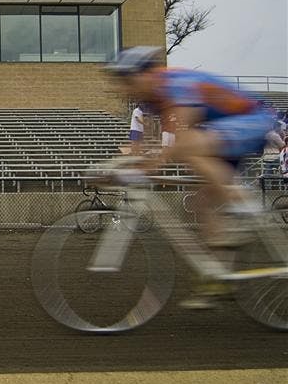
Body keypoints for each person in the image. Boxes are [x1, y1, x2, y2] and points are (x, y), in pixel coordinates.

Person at [105, 46, 273, 308]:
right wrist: (134, 163)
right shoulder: (153, 99)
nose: (123, 89)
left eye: (127, 81)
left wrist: (150, 167)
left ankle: (243, 204)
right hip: (226, 129)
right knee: (203, 203)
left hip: (251, 120)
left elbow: (181, 137)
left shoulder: (176, 82)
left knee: (188, 147)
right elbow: (152, 145)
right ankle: (218, 276)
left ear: (146, 73)